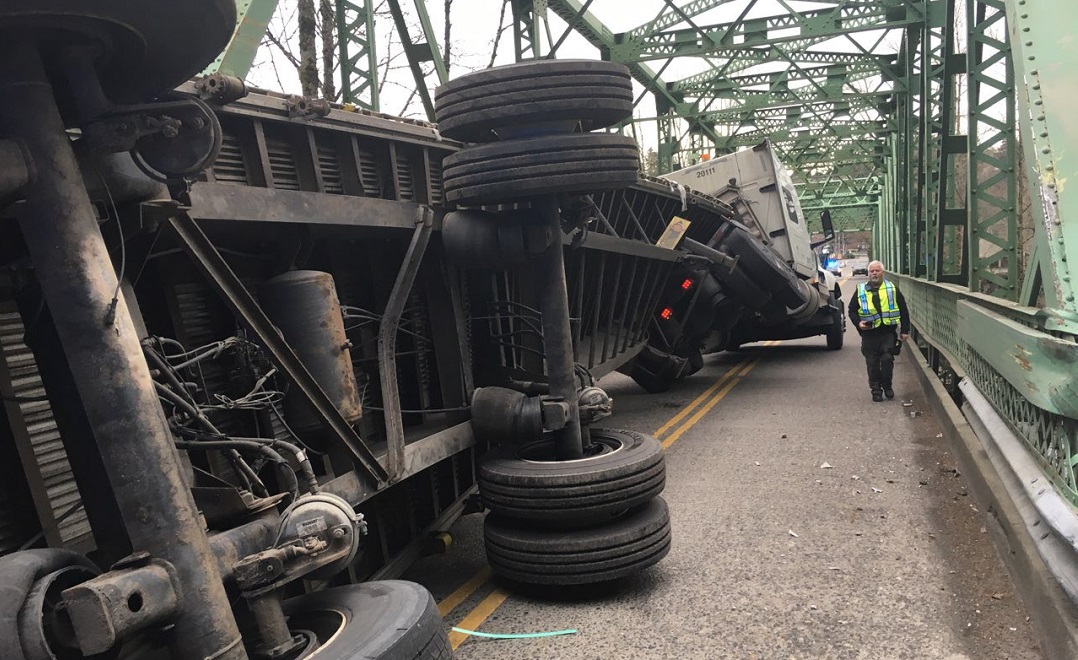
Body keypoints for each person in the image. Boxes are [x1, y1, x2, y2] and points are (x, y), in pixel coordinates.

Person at [848, 261, 910, 402]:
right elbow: (852, 310)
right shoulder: (860, 290)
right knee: (872, 363)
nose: (874, 273)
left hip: (887, 333)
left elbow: (903, 310)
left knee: (887, 359)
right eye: (872, 271)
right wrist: (859, 323)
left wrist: (905, 330)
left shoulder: (892, 289)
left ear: (883, 272)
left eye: (877, 271)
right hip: (869, 334)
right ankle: (876, 389)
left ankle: (887, 385)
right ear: (868, 273)